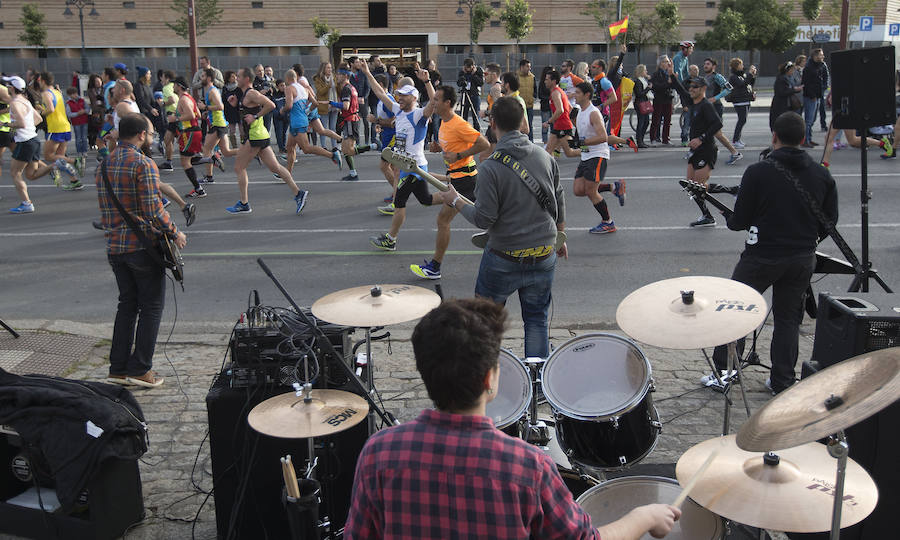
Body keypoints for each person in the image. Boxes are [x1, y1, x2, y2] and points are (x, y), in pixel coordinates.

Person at [344, 297, 682, 539]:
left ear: (424, 373)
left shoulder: (379, 453)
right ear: (491, 381)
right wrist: (643, 516)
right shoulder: (529, 467)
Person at [706, 112, 837, 395]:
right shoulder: (821, 174)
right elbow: (830, 220)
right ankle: (782, 381)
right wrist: (807, 240)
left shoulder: (758, 171)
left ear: (774, 137)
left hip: (761, 256)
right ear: (803, 139)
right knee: (789, 320)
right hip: (802, 258)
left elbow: (739, 221)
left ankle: (726, 374)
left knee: (735, 311)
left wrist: (729, 218)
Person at [438, 97, 566, 360]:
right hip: (543, 253)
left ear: (493, 123)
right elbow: (558, 198)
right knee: (536, 319)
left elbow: (484, 219)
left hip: (504, 258)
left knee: (485, 323)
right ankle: (537, 378)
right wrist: (560, 236)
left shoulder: (491, 168)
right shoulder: (545, 156)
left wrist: (455, 201)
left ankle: (487, 377)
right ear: (522, 122)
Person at [97, 113, 186, 389]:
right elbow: (153, 209)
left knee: (127, 306)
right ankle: (140, 369)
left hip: (115, 246)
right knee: (151, 307)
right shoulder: (143, 163)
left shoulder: (104, 164)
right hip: (141, 248)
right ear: (140, 135)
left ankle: (118, 368)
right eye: (148, 133)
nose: (150, 137)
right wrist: (175, 232)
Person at [409, 85, 490, 279]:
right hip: (456, 178)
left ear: (447, 103)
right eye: (433, 99)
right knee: (487, 216)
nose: (433, 102)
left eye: (437, 99)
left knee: (443, 220)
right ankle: (510, 236)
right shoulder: (443, 122)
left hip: (465, 180)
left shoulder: (458, 123)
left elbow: (484, 143)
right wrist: (440, 149)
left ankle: (435, 267)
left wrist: (459, 155)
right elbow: (452, 150)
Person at [362, 62, 436, 251]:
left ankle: (391, 239)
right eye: (399, 95)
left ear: (414, 97)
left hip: (414, 166)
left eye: (403, 96)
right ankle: (455, 199)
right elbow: (379, 93)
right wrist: (367, 73)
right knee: (426, 199)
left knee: (400, 202)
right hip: (405, 166)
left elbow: (434, 103)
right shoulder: (397, 110)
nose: (399, 98)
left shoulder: (419, 114)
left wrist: (427, 81)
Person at [225, 67, 308, 215]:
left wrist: (255, 117)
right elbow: (247, 110)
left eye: (238, 76)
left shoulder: (251, 93)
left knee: (239, 167)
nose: (236, 78)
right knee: (275, 167)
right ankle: (298, 193)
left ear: (246, 79)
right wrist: (235, 104)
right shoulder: (244, 94)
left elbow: (271, 105)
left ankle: (244, 203)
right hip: (259, 135)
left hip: (255, 136)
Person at [2, 76, 75, 214]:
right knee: (31, 175)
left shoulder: (15, 103)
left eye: (7, 86)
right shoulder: (25, 101)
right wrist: (26, 127)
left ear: (11, 88)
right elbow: (39, 118)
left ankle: (26, 203)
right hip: (33, 139)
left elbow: (21, 123)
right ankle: (56, 165)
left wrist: (5, 124)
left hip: (25, 142)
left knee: (15, 173)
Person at [562, 82, 626, 235]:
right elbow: (585, 137)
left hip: (598, 155)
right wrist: (578, 145)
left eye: (577, 92)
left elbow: (603, 137)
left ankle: (608, 222)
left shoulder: (593, 112)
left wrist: (583, 143)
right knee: (578, 190)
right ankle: (613, 187)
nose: (574, 95)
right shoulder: (580, 112)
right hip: (586, 155)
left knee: (591, 191)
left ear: (587, 95)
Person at [682, 77, 725, 228]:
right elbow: (680, 89)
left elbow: (718, 123)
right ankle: (708, 214)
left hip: (707, 150)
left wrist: (701, 138)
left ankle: (708, 216)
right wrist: (672, 75)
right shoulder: (694, 103)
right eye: (690, 86)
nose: (691, 89)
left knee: (697, 186)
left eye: (695, 86)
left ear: (703, 89)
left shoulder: (706, 105)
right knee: (691, 186)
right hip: (695, 151)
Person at [282, 68, 342, 176]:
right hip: (300, 120)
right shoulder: (304, 88)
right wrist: (307, 111)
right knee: (290, 148)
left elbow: (289, 105)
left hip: (297, 122)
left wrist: (282, 110)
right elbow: (315, 102)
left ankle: (332, 155)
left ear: (287, 78)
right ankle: (287, 173)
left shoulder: (289, 88)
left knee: (306, 148)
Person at [36, 72, 84, 187]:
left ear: (43, 81)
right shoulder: (57, 92)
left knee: (48, 156)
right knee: (60, 159)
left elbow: (51, 109)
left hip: (55, 127)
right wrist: (41, 107)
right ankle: (74, 180)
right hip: (65, 126)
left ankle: (75, 161)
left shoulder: (46, 93)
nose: (38, 82)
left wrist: (41, 112)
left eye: (39, 80)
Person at [333, 62, 379, 181]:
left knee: (350, 150)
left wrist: (331, 103)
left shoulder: (346, 89)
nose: (336, 76)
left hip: (350, 120)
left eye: (338, 74)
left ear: (345, 76)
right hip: (350, 119)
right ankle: (353, 173)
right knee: (345, 149)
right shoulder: (350, 87)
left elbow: (345, 106)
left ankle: (372, 146)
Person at [701, 58, 743, 166]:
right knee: (707, 131)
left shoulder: (717, 76)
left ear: (713, 66)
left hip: (716, 107)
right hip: (708, 107)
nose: (705, 66)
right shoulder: (706, 77)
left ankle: (734, 152)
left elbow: (729, 88)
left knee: (717, 133)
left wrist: (716, 98)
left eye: (708, 64)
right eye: (705, 64)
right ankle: (710, 152)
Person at [197, 68, 234, 184]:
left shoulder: (212, 91)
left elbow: (220, 106)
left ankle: (209, 177)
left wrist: (205, 108)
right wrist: (207, 113)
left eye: (202, 76)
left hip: (218, 124)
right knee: (226, 152)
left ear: (208, 78)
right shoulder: (209, 91)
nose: (200, 78)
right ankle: (251, 151)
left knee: (207, 149)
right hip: (219, 123)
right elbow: (216, 108)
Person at [727, 58, 756, 149]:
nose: (743, 66)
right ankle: (735, 140)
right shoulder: (733, 77)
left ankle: (738, 139)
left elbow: (749, 84)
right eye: (741, 64)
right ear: (737, 66)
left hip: (745, 100)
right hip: (739, 101)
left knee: (743, 120)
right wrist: (749, 74)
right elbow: (741, 84)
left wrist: (752, 76)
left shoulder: (742, 75)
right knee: (741, 120)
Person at [801, 48, 827, 147]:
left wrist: (823, 89)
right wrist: (812, 95)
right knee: (808, 120)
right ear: (815, 56)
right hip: (811, 97)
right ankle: (805, 140)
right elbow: (806, 83)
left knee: (813, 119)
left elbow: (825, 78)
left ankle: (809, 138)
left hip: (818, 96)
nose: (823, 57)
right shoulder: (808, 67)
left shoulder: (821, 65)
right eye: (821, 55)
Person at [313, 62, 340, 150]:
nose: (330, 70)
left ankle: (334, 146)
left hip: (334, 104)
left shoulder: (334, 78)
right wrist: (329, 86)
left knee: (333, 127)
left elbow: (338, 90)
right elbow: (320, 91)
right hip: (324, 106)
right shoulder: (318, 79)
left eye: (331, 68)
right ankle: (323, 146)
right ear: (323, 69)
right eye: (328, 68)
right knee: (323, 128)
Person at [649, 56, 675, 145]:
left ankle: (665, 138)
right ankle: (653, 138)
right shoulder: (656, 74)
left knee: (667, 120)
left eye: (668, 61)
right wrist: (668, 83)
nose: (667, 63)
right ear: (660, 63)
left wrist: (673, 80)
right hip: (659, 99)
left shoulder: (669, 73)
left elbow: (673, 85)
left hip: (668, 99)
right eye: (665, 61)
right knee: (656, 120)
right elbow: (656, 87)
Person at [770, 62, 803, 132]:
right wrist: (795, 89)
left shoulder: (787, 78)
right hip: (781, 104)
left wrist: (795, 89)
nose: (793, 72)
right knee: (781, 123)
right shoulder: (782, 79)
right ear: (787, 70)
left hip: (786, 104)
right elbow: (782, 92)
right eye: (792, 70)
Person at [456, 58, 484, 126]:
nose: (468, 69)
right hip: (465, 95)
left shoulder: (478, 71)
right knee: (464, 116)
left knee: (475, 116)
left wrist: (473, 75)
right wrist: (464, 75)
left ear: (473, 66)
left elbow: (480, 83)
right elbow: (459, 83)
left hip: (474, 95)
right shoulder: (463, 72)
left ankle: (476, 132)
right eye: (466, 67)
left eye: (469, 67)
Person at [65, 87, 90, 160]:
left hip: (84, 121)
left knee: (84, 137)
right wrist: (77, 113)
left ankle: (84, 151)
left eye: (75, 93)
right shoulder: (68, 103)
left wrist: (84, 111)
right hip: (76, 122)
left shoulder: (82, 100)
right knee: (78, 138)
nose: (75, 95)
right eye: (72, 94)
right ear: (69, 95)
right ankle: (79, 152)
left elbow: (88, 109)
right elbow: (68, 114)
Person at [632, 64, 653, 148]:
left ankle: (642, 140)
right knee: (641, 122)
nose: (646, 72)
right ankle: (639, 141)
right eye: (645, 70)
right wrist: (648, 88)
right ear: (641, 71)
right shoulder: (637, 81)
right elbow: (639, 94)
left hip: (644, 101)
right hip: (640, 103)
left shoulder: (644, 80)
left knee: (646, 122)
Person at [518, 59, 537, 141]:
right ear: (521, 67)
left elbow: (535, 89)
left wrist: (533, 98)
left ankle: (530, 142)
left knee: (529, 126)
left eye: (530, 66)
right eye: (527, 66)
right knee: (519, 126)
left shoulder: (532, 77)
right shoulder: (516, 76)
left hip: (529, 106)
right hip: (519, 107)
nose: (529, 68)